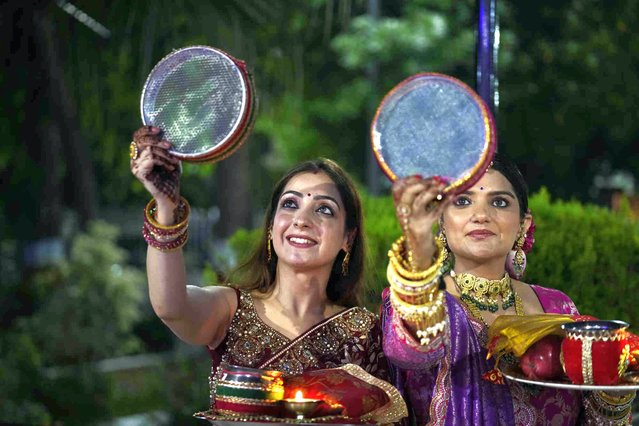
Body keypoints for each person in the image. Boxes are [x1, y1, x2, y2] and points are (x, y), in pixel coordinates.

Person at [129, 126, 388, 411]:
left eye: (324, 209)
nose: (301, 220)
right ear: (271, 227)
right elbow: (171, 306)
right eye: (290, 204)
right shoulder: (231, 309)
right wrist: (166, 206)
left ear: (347, 238)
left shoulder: (362, 333)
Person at [381, 152, 635, 425]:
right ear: (441, 222)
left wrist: (614, 391)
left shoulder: (557, 307)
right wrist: (419, 248)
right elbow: (409, 353)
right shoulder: (416, 302)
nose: (481, 215)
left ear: (522, 225)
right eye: (463, 201)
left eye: (499, 202)